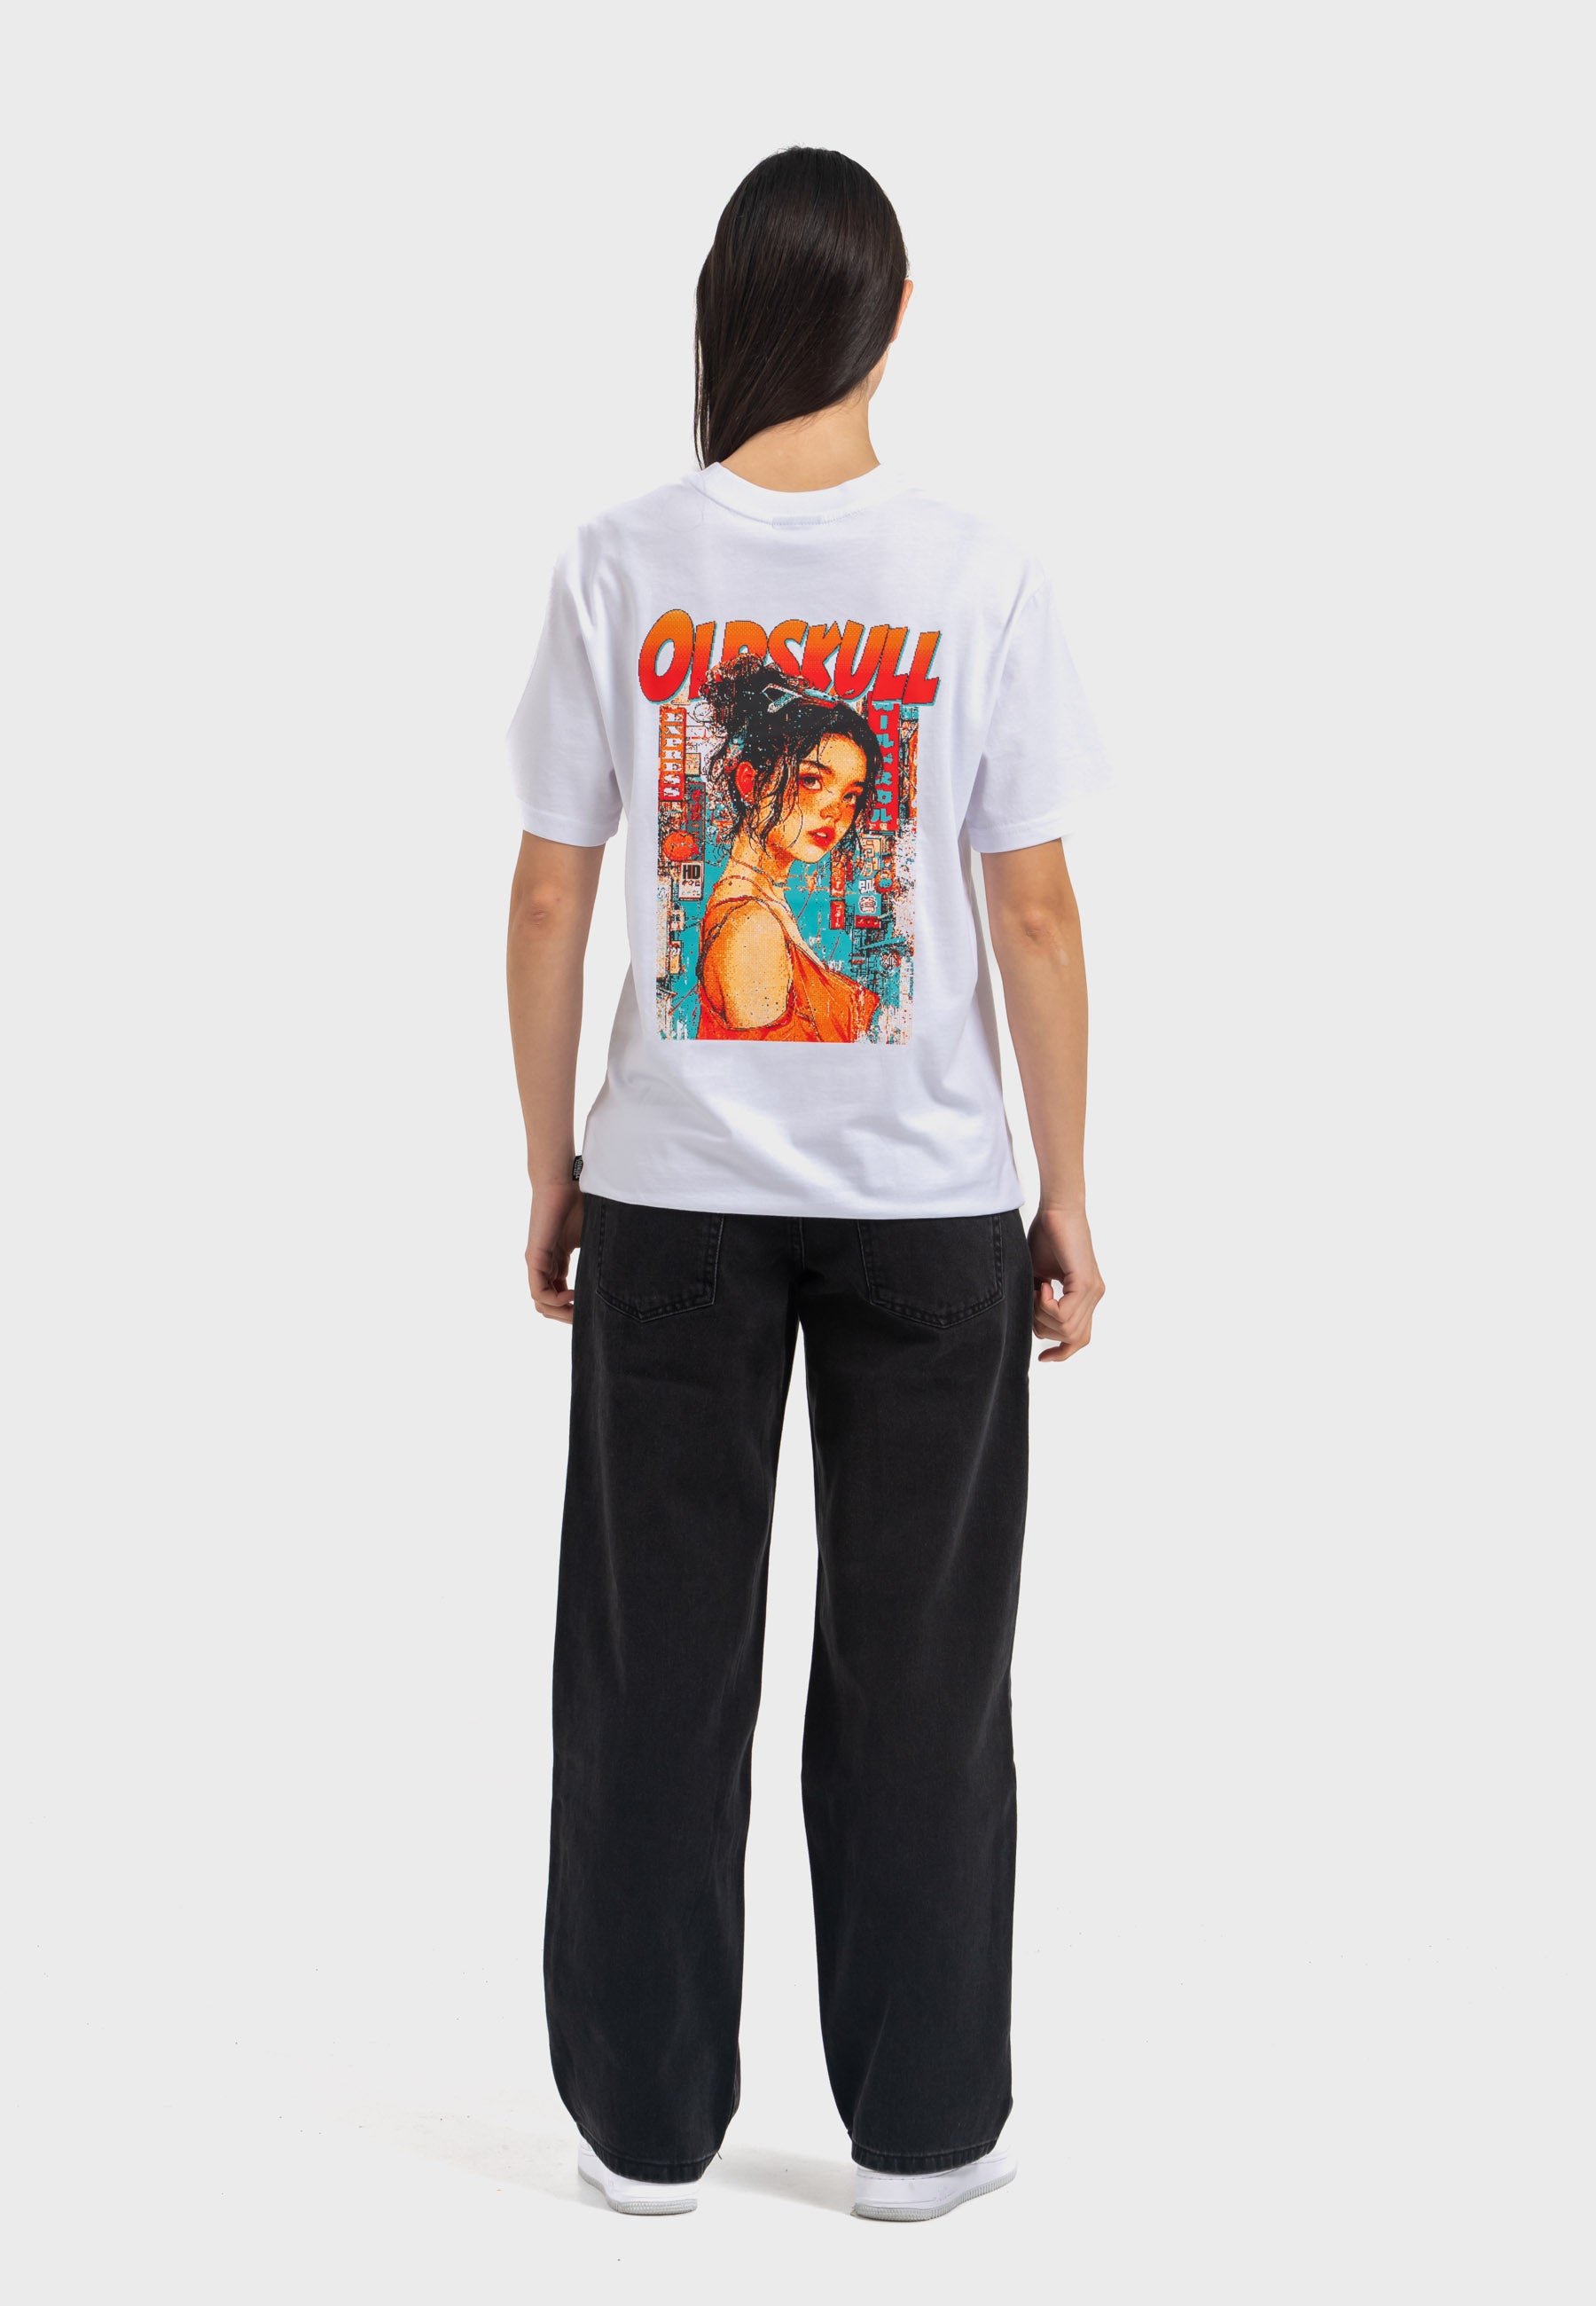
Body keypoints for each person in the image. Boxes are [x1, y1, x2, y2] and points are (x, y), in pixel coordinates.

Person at [505, 145, 1109, 2223]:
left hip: (669, 1198)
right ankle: (925, 2138)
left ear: (727, 307)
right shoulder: (979, 569)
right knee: (925, 1680)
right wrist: (1067, 1188)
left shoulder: (619, 560)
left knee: (652, 1674)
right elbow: (1034, 914)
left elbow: (550, 893)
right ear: (895, 314)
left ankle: (642, 2135)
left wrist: (553, 1164)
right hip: (931, 1204)